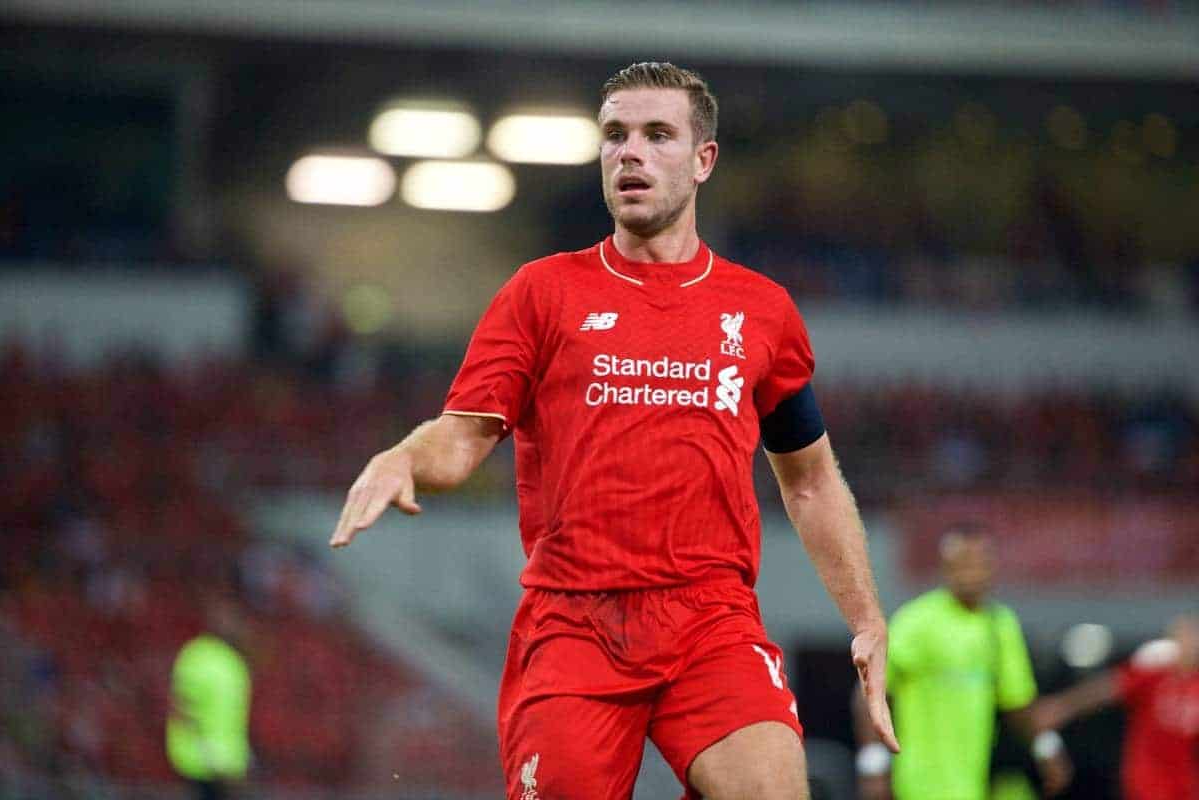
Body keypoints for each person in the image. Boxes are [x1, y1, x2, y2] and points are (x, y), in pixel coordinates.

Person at [330, 61, 898, 800]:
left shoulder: (761, 311)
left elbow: (811, 478)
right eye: (614, 136)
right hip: (575, 626)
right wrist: (405, 454)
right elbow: (464, 436)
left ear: (703, 160)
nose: (629, 152)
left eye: (657, 135)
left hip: (711, 621)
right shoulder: (543, 293)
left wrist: (866, 617)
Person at [854, 523, 1072, 800]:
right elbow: (868, 691)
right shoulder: (917, 622)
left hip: (972, 784)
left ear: (992, 568)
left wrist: (1047, 747)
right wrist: (873, 763)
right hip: (917, 782)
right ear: (946, 568)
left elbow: (1017, 704)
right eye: (962, 564)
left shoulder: (1000, 626)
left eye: (979, 564)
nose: (971, 573)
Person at [1032, 612, 1199, 800]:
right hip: (1146, 783)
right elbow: (1108, 688)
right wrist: (1061, 707)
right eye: (1183, 636)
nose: (1189, 644)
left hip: (1185, 786)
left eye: (1192, 637)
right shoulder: (1154, 674)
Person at [167, 594, 253, 800]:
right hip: (203, 765)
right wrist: (216, 762)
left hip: (223, 764)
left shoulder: (230, 659)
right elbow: (184, 709)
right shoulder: (200, 656)